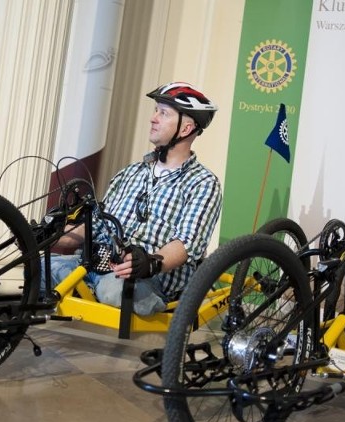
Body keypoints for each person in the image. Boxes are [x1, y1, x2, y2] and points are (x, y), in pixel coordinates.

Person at [43, 82, 222, 315]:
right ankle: (89, 286)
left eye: (163, 113)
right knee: (37, 268)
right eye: (156, 110)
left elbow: (187, 244)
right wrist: (49, 236)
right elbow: (95, 226)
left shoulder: (204, 183)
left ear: (186, 128)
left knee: (115, 292)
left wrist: (152, 262)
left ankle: (100, 291)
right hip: (92, 265)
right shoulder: (130, 172)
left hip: (147, 278)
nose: (153, 118)